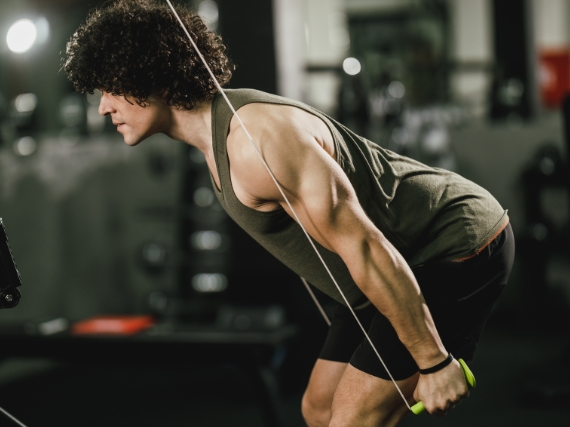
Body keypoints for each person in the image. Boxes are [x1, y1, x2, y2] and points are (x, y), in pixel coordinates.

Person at [63, 1, 514, 426]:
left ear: (152, 75)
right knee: (318, 410)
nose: (104, 105)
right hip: (384, 272)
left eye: (111, 87)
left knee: (352, 420)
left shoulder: (254, 141)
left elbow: (364, 244)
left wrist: (433, 360)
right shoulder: (218, 140)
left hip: (451, 245)